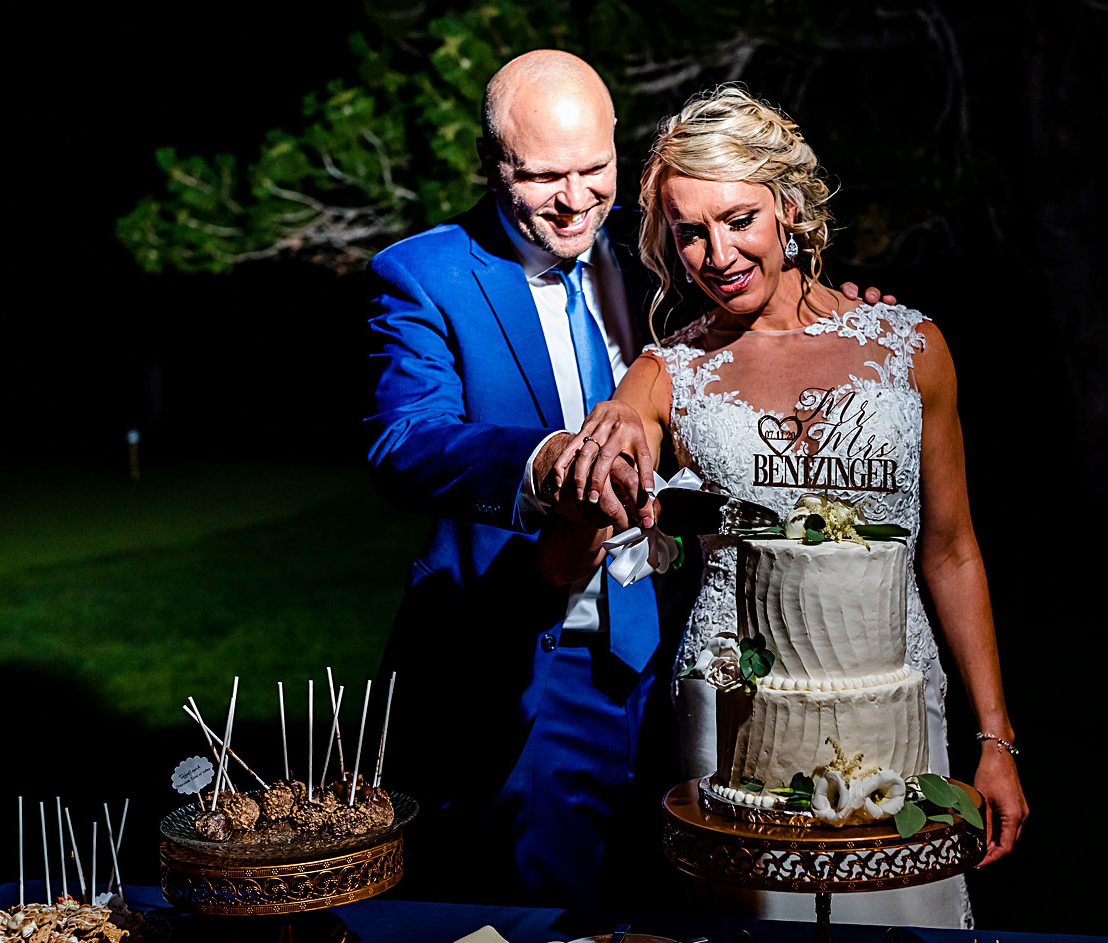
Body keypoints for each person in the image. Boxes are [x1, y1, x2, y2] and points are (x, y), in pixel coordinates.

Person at [363, 50, 883, 908]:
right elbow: (404, 440)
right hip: (528, 655)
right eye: (540, 176)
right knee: (537, 907)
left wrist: (834, 312)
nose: (574, 199)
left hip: (685, 655)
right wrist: (541, 465)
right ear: (492, 165)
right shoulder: (423, 275)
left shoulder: (663, 253)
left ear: (619, 151)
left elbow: (761, 321)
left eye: (593, 169)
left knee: (684, 907)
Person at [553, 85, 1029, 927]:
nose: (715, 252)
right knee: (753, 923)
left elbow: (951, 549)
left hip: (892, 695)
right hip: (734, 703)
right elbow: (621, 425)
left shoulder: (912, 348)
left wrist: (996, 737)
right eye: (689, 231)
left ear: (791, 210)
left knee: (900, 920)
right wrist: (619, 423)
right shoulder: (667, 371)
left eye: (738, 219)